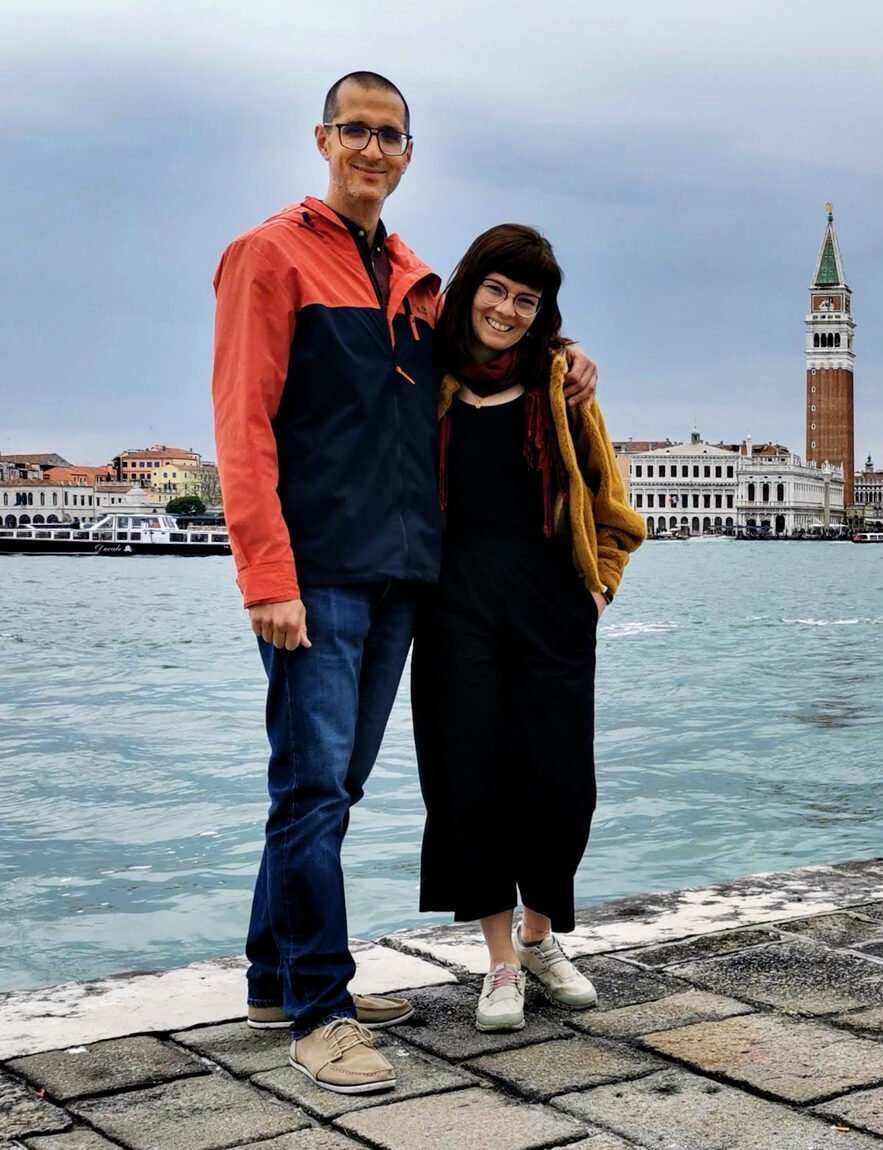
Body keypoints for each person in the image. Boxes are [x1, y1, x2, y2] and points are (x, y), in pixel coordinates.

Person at [212, 71, 597, 1094]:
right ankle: (321, 1010)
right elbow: (241, 427)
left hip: (402, 580)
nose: (372, 149)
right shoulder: (267, 256)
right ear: (323, 138)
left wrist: (567, 357)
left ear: (409, 153)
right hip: (315, 574)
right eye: (356, 131)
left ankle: (273, 975)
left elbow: (488, 352)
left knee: (333, 785)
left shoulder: (420, 278)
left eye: (391, 135)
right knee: (308, 788)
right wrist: (265, 572)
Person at [411, 223, 644, 1032]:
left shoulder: (563, 385)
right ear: (470, 285)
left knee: (559, 784)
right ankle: (500, 966)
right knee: (468, 782)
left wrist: (596, 593)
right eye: (497, 290)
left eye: (526, 299)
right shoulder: (427, 378)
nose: (507, 310)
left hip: (551, 607)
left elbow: (613, 511)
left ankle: (543, 940)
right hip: (453, 608)